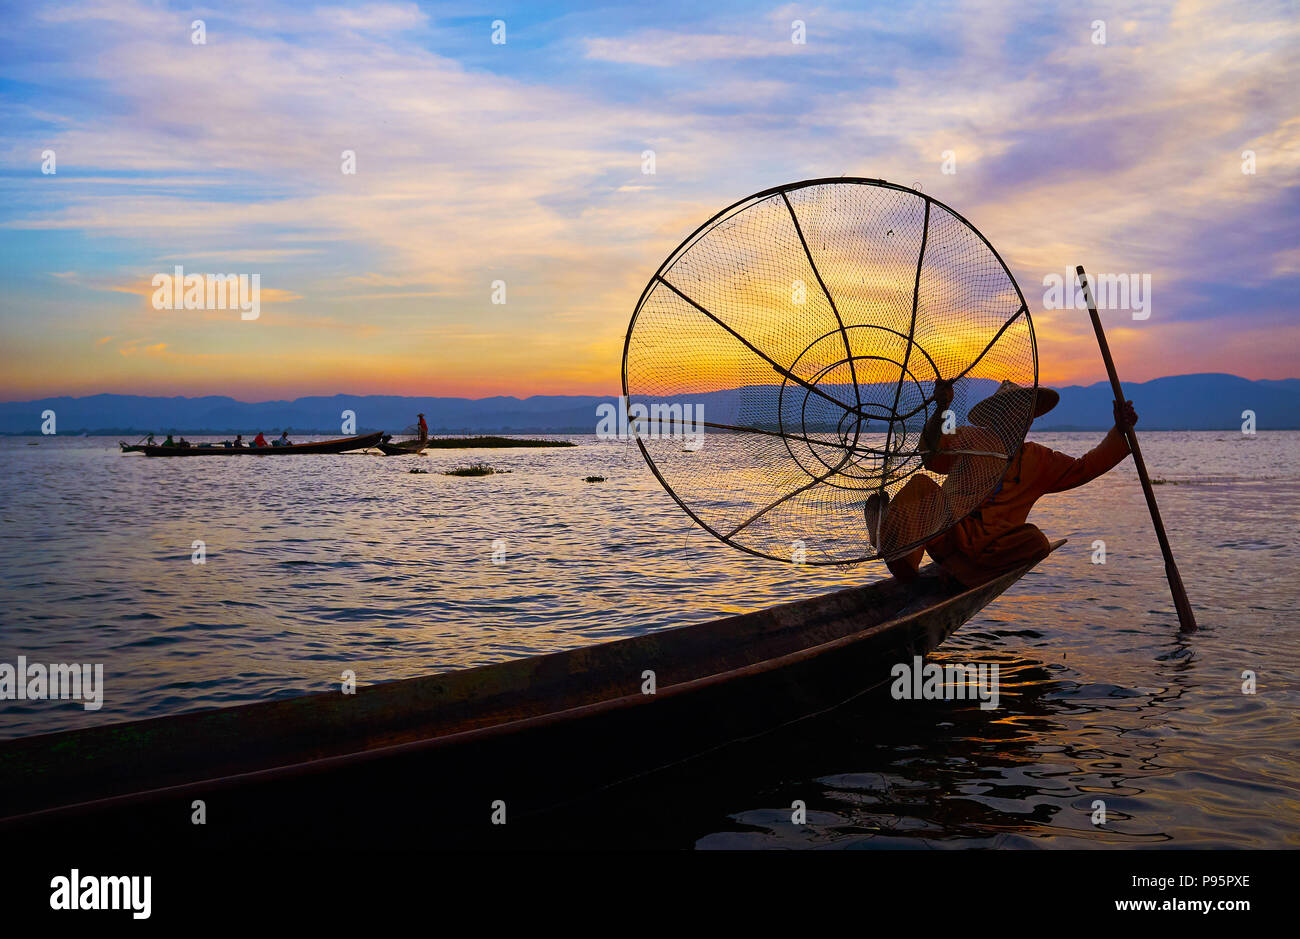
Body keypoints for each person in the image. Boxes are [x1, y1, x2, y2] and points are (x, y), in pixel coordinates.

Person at [870, 378, 1136, 587]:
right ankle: (900, 556)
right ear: (997, 416)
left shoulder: (1039, 459)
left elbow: (1084, 468)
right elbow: (931, 456)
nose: (1019, 417)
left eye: (1024, 412)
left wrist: (1120, 431)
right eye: (1011, 410)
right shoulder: (970, 439)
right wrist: (941, 409)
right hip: (948, 536)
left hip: (991, 550)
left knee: (1036, 542)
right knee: (921, 486)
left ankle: (961, 574)